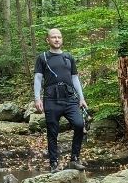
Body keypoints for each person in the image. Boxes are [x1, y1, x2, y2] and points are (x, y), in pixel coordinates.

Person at [33, 28, 87, 172]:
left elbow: (75, 78)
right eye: (53, 37)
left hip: (70, 98)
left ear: (62, 39)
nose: (57, 39)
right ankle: (53, 164)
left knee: (79, 124)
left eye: (59, 37)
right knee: (52, 131)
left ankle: (74, 159)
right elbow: (38, 78)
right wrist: (37, 98)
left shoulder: (69, 57)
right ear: (48, 40)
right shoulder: (42, 57)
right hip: (51, 99)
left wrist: (81, 98)